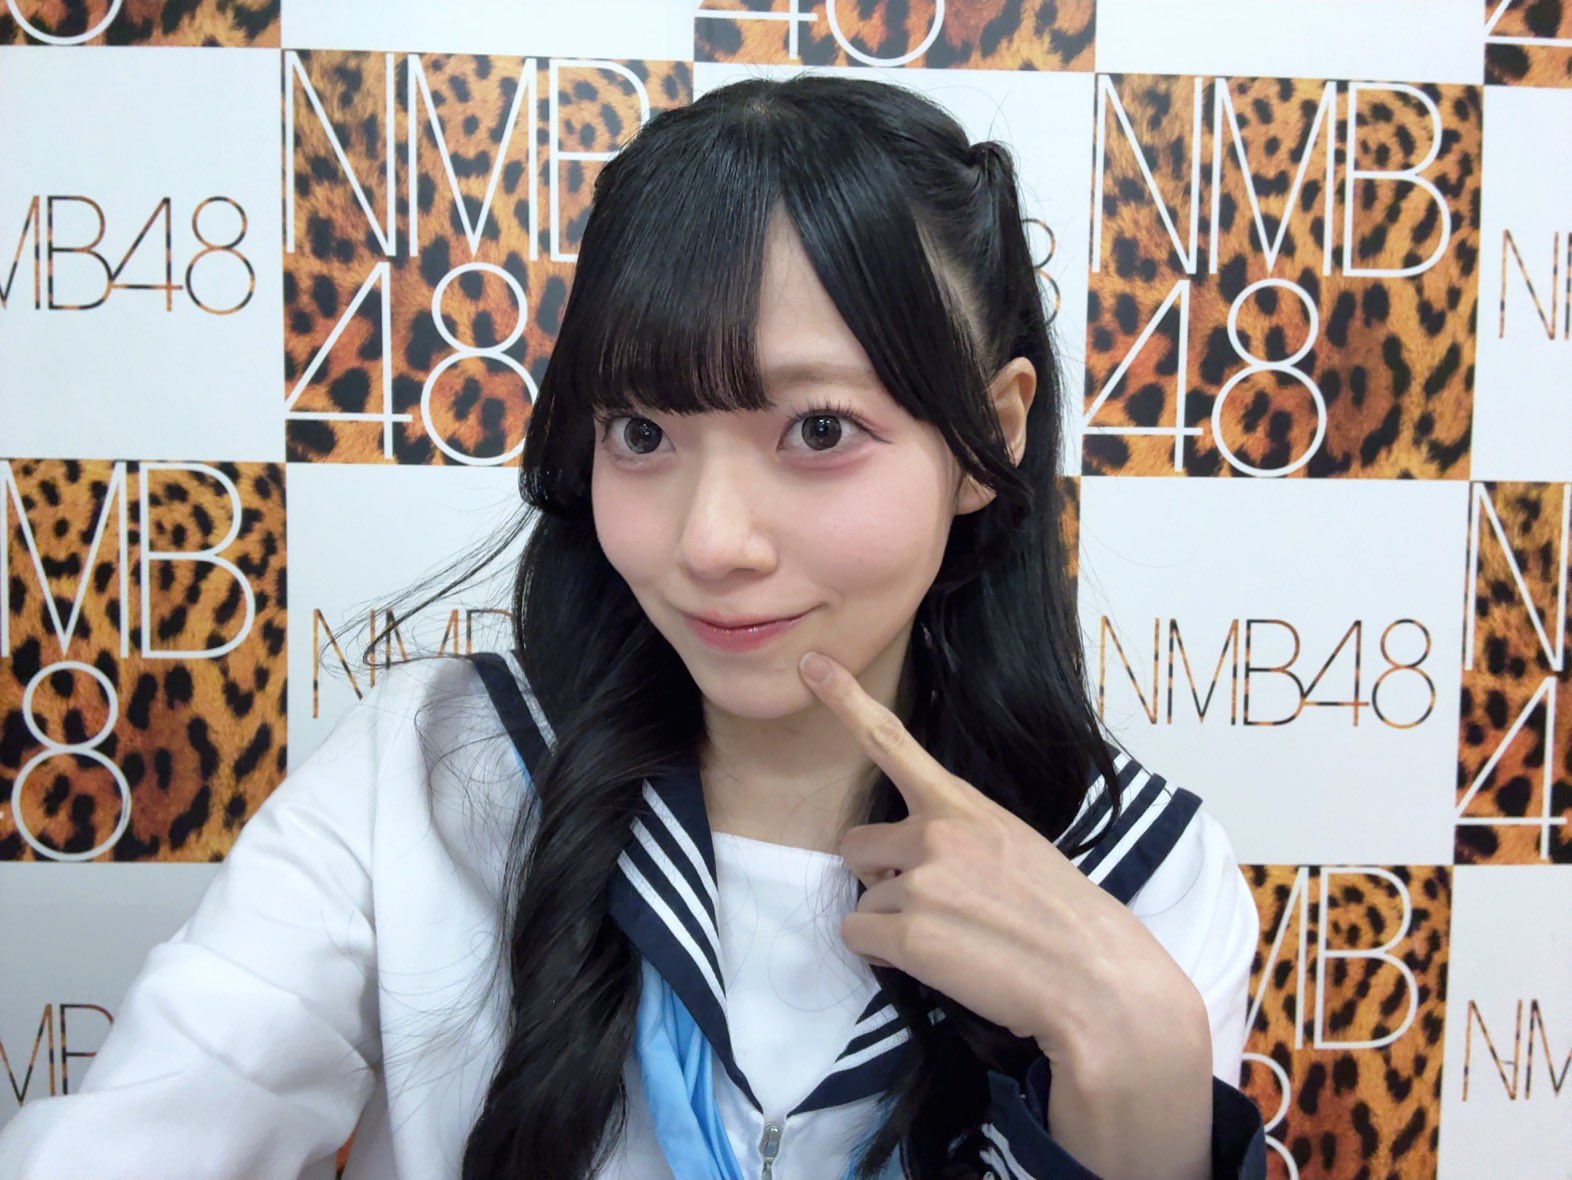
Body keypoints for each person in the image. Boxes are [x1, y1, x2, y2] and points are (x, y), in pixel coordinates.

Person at [0, 73, 1267, 1180]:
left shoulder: (1136, 871)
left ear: (991, 429)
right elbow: (156, 1118)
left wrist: (1144, 1071)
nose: (712, 539)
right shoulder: (439, 769)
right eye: (643, 432)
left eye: (819, 430)